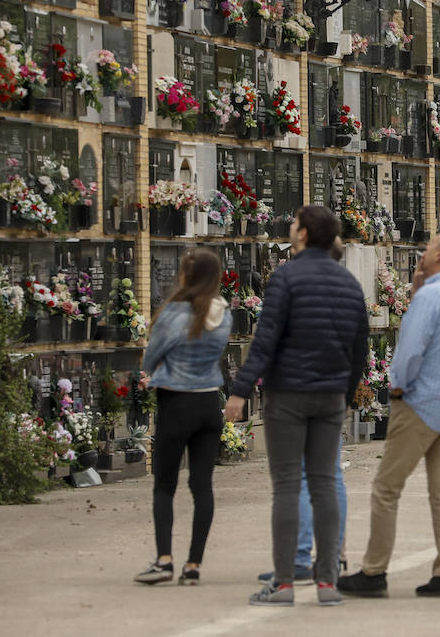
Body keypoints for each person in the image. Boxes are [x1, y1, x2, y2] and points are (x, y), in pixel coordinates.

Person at [230, 205, 369, 608]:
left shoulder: (286, 277)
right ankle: (327, 584)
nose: (290, 228)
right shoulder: (348, 284)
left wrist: (240, 391)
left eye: (294, 224)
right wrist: (345, 392)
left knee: (288, 487)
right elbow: (358, 348)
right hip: (330, 395)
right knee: (325, 484)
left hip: (287, 396)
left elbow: (266, 338)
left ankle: (286, 583)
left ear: (305, 234)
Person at [339, 229, 440, 600]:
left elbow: (412, 350)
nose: (424, 250)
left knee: (386, 487)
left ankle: (373, 571)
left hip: (419, 403)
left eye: (431, 246)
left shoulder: (432, 296)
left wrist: (398, 384)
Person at [133, 248, 232, 586]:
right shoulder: (224, 314)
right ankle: (194, 565)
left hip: (176, 405)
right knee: (202, 487)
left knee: (164, 486)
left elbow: (151, 357)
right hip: (208, 405)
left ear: (186, 276)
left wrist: (151, 370)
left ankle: (164, 561)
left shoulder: (173, 314)